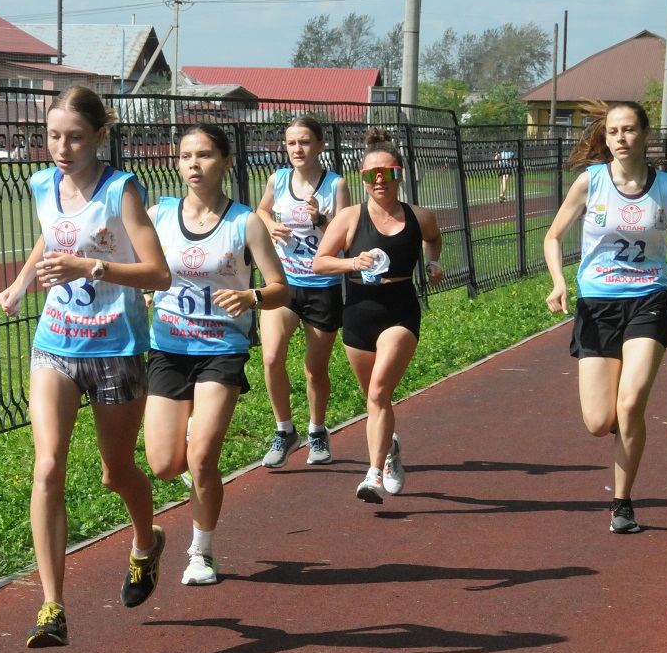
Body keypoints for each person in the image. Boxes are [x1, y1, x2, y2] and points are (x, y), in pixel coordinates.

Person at [0, 85, 172, 649]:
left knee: (116, 473)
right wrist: (22, 282)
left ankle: (146, 541)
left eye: (74, 137)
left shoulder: (121, 191)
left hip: (116, 348)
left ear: (100, 135)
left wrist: (90, 267)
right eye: (53, 136)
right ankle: (52, 607)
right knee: (46, 467)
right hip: (55, 344)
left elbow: (158, 274)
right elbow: (51, 233)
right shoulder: (41, 184)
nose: (62, 148)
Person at [543, 101, 667, 534]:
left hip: (648, 300)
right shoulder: (590, 183)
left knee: (631, 402)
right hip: (597, 305)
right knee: (599, 422)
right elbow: (553, 236)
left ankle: (622, 503)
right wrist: (558, 281)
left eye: (629, 130)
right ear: (606, 137)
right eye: (614, 131)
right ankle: (622, 438)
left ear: (645, 134)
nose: (621, 138)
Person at [144, 123, 289, 587]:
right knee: (165, 465)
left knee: (203, 458)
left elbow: (280, 289)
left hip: (220, 350)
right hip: (168, 348)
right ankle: (190, 450)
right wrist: (142, 288)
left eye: (204, 155)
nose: (193, 164)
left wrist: (251, 298)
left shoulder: (245, 222)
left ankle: (200, 552)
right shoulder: (159, 215)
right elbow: (138, 266)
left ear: (226, 162)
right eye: (186, 155)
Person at [312, 128, 444, 504]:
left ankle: (371, 476)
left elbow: (434, 238)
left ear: (399, 173)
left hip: (400, 312)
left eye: (387, 173)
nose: (380, 181)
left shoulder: (420, 216)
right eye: (372, 175)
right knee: (375, 401)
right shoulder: (350, 218)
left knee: (379, 391)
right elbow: (321, 262)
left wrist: (433, 263)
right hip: (357, 313)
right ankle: (390, 449)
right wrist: (353, 261)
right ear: (363, 178)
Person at [254, 115, 351, 467]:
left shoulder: (335, 185)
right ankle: (284, 430)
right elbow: (260, 211)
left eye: (305, 141)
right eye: (292, 142)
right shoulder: (277, 179)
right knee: (270, 358)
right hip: (283, 285)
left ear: (321, 145)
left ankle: (317, 431)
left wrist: (319, 220)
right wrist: (271, 224)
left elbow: (345, 238)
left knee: (314, 370)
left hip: (321, 286)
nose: (298, 148)